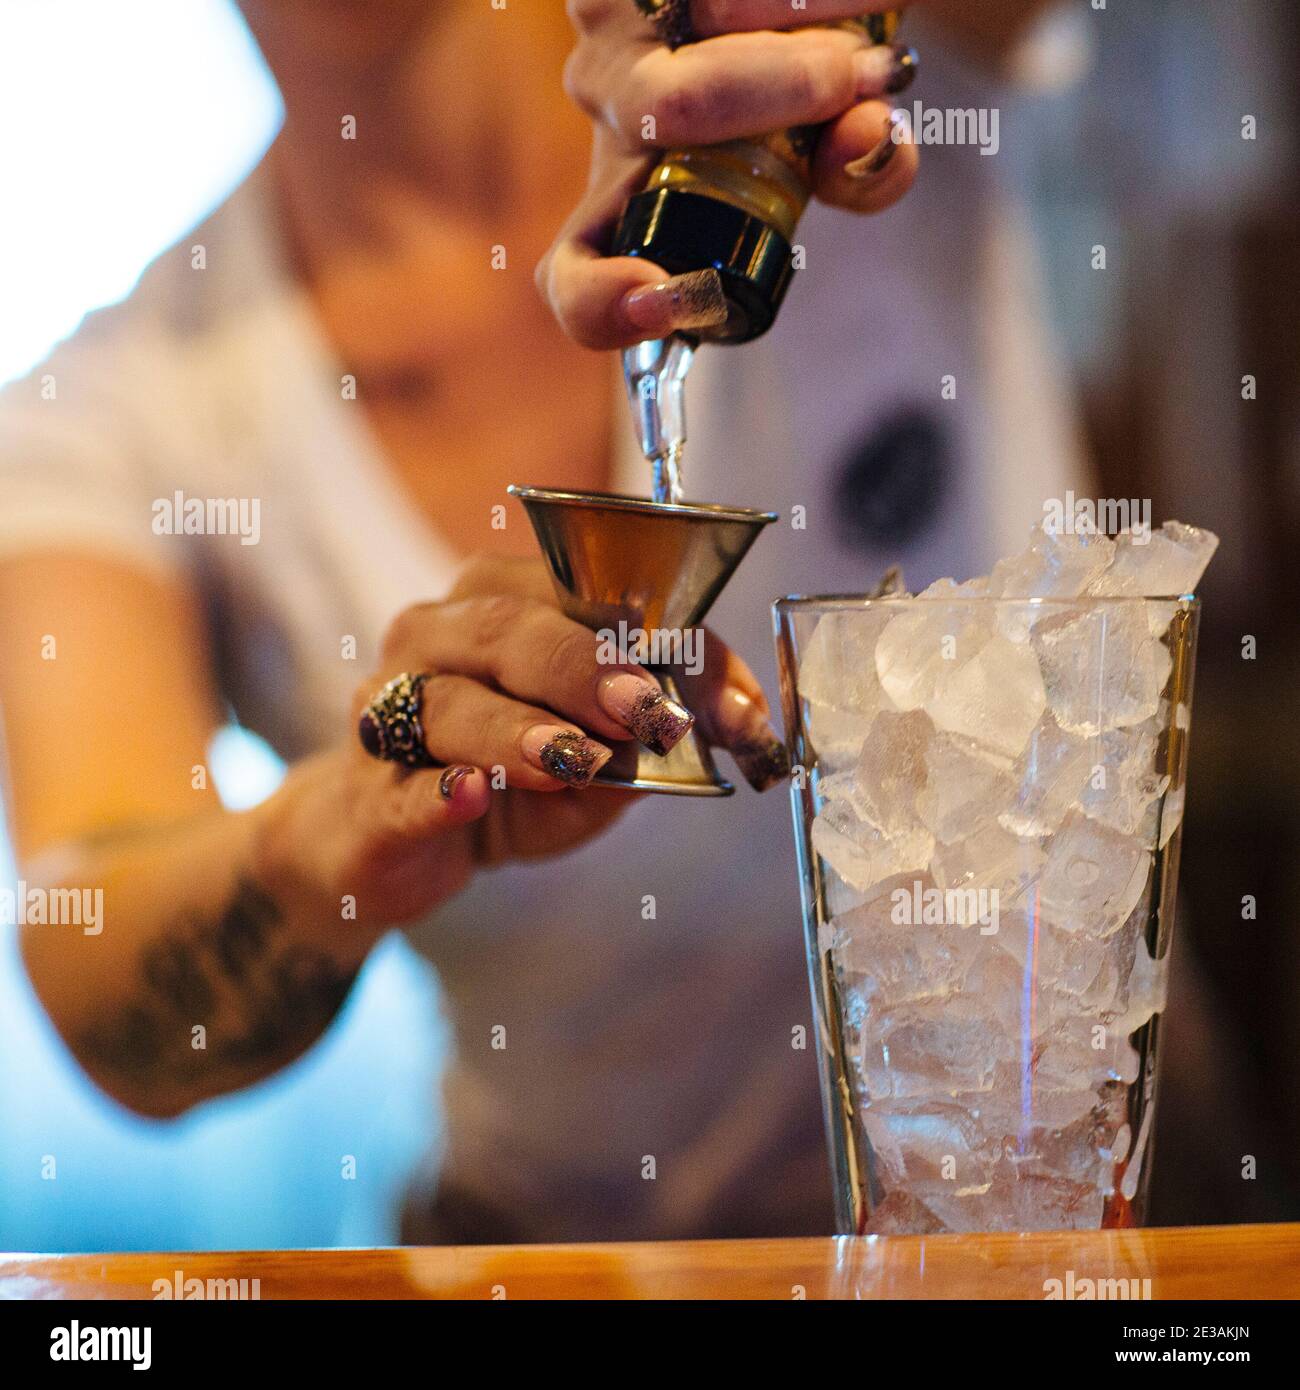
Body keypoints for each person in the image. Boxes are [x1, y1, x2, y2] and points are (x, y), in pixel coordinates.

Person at [0, 0, 1074, 1241]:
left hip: (1089, 1207)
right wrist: (343, 823)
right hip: (568, 1258)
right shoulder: (114, 416)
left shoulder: (769, 72)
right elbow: (107, 969)